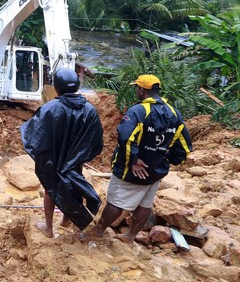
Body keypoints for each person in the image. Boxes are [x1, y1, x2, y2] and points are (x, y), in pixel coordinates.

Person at [82, 75, 192, 244]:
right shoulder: (173, 113)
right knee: (145, 204)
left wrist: (132, 161)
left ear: (142, 90)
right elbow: (184, 146)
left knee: (115, 203)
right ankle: (130, 236)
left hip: (133, 170)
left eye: (137, 88)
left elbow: (126, 137)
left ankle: (99, 231)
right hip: (156, 170)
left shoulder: (138, 111)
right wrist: (165, 159)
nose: (136, 91)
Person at [21, 68, 104, 238]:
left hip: (54, 159)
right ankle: (66, 220)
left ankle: (48, 228)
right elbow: (95, 139)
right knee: (71, 185)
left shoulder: (50, 108)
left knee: (52, 189)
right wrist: (79, 156)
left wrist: (44, 157)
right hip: (76, 160)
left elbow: (36, 136)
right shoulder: (89, 109)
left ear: (56, 87)